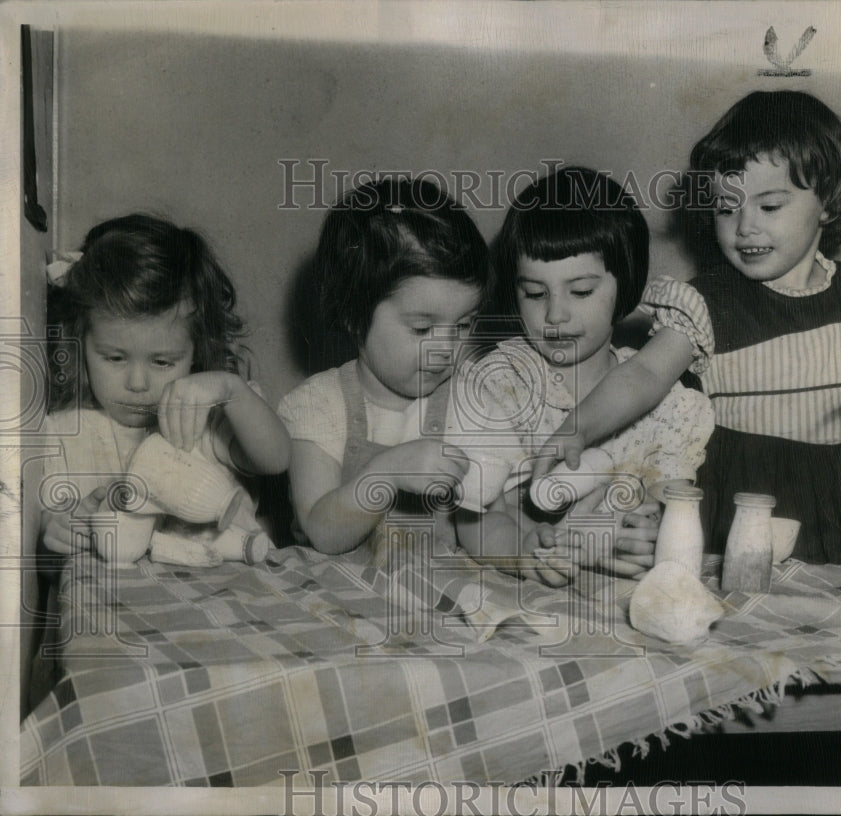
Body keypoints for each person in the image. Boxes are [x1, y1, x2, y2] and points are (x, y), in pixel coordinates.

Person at [532, 92, 841, 583]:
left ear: (829, 201)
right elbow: (645, 373)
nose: (744, 227)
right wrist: (579, 426)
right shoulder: (705, 303)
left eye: (770, 204)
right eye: (725, 208)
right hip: (737, 512)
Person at [22, 213, 290, 712]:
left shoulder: (210, 415)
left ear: (197, 351)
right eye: (115, 358)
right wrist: (53, 538)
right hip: (127, 650)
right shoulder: (63, 433)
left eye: (163, 362)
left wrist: (229, 390)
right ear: (79, 343)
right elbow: (45, 548)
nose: (139, 384)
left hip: (234, 622)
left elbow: (275, 459)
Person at [453, 166, 714, 586]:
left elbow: (672, 514)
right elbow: (474, 522)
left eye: (580, 292)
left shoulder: (667, 405)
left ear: (623, 286)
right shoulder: (499, 385)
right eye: (535, 294)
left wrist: (645, 533)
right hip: (522, 593)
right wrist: (524, 556)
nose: (555, 314)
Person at [278, 178, 495, 565]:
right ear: (353, 317)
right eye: (422, 329)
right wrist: (387, 473)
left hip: (431, 595)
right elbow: (321, 531)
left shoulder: (467, 402)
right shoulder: (318, 405)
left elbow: (486, 523)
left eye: (463, 325)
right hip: (334, 595)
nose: (445, 349)